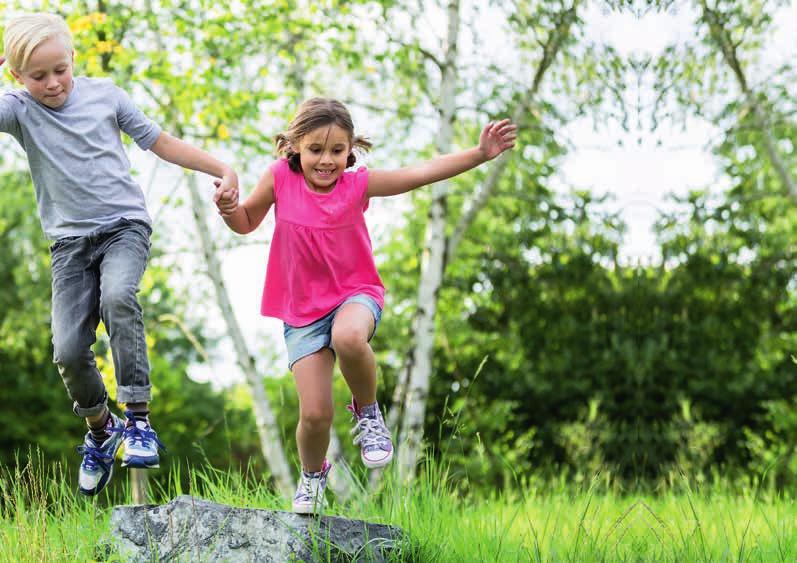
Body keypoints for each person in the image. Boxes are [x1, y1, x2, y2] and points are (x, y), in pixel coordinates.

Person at [214, 97, 517, 513]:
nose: (327, 160)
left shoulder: (357, 184)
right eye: (316, 150)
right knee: (316, 415)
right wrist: (230, 208)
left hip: (354, 294)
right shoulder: (279, 178)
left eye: (337, 150)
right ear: (296, 146)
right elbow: (245, 222)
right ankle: (311, 475)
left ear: (350, 148)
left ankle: (368, 413)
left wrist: (480, 154)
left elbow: (420, 173)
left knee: (349, 336)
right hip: (301, 310)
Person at [0, 12, 239, 496]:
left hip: (124, 228)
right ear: (17, 76)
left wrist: (220, 166)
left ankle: (138, 420)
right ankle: (101, 429)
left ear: (73, 59)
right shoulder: (18, 109)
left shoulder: (105, 95)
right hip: (68, 246)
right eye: (38, 76)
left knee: (119, 298)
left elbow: (160, 141)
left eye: (60, 69)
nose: (53, 84)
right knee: (67, 350)